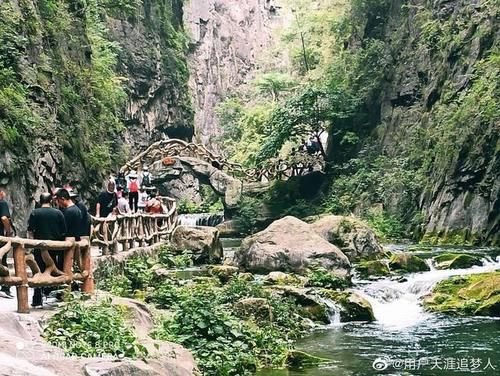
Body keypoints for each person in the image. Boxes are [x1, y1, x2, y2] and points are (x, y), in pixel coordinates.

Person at [27, 192, 67, 307]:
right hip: (54, 247)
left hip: (39, 247)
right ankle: (57, 294)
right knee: (55, 269)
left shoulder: (35, 213)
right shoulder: (58, 213)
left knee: (38, 270)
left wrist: (32, 244)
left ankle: (37, 298)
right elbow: (63, 231)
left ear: (40, 201)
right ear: (51, 201)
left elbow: (30, 231)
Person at [0, 190, 14, 298]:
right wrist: (8, 233)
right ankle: (5, 287)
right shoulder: (2, 203)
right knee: (2, 260)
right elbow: (4, 218)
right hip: (0, 237)